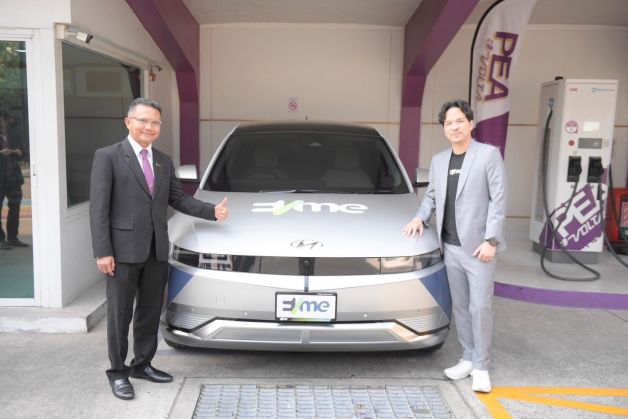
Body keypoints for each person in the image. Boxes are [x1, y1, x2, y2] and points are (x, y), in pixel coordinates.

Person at [89, 98, 229, 400]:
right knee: (120, 315)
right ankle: (118, 372)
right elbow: (98, 209)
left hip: (156, 251)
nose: (149, 127)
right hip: (121, 252)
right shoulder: (108, 156)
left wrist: (211, 211)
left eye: (155, 122)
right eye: (143, 120)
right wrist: (103, 251)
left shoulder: (163, 161)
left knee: (150, 312)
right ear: (128, 122)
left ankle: (142, 365)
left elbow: (178, 198)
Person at [402, 99, 507, 393]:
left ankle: (482, 366)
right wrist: (419, 217)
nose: (454, 127)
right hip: (450, 247)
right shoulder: (439, 161)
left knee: (480, 307)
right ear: (444, 128)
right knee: (460, 307)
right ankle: (468, 357)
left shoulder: (488, 155)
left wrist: (491, 240)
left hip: (479, 248)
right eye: (449, 123)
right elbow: (431, 197)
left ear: (471, 124)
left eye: (460, 121)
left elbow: (498, 200)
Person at [0, 115, 28, 250]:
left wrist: (19, 152)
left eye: (2, 120)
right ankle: (0, 240)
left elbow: (24, 152)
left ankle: (12, 237)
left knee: (15, 207)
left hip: (13, 178)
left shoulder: (14, 134)